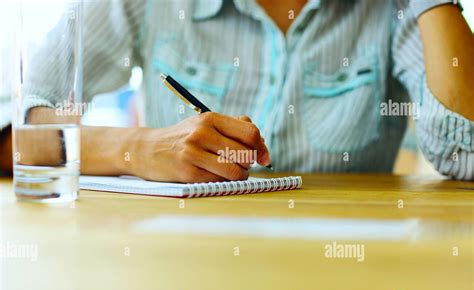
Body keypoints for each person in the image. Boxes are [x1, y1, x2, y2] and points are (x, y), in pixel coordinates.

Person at [0, 0, 473, 182]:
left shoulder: (393, 9)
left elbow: (463, 152)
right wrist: (136, 149)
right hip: (182, 273)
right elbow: (14, 127)